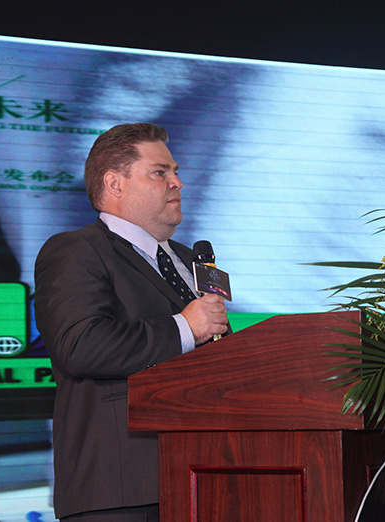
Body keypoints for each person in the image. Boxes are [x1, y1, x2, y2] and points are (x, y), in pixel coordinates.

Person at [33, 123, 229, 521]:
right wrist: (185, 328)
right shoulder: (76, 250)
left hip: (207, 477)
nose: (177, 182)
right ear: (114, 184)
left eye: (176, 172)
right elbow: (81, 346)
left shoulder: (191, 259)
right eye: (160, 172)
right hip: (121, 489)